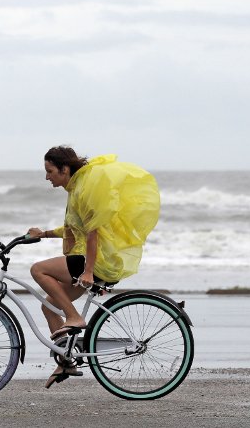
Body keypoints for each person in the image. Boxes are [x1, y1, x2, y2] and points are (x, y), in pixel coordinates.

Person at [28, 145, 160, 388]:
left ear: (64, 169)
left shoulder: (83, 190)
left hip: (93, 260)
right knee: (49, 306)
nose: (46, 177)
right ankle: (66, 361)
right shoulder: (75, 189)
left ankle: (74, 316)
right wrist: (43, 234)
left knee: (38, 269)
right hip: (85, 258)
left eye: (50, 171)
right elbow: (74, 229)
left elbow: (92, 233)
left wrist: (88, 271)